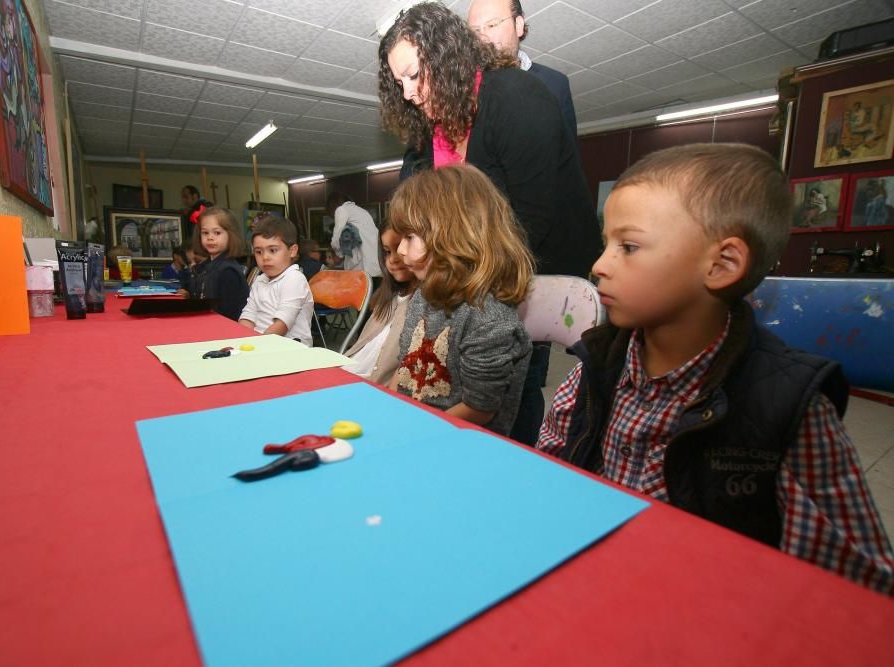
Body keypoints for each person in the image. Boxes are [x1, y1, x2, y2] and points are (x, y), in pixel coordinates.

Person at [537, 143, 894, 594]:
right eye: (606, 243)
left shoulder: (787, 409)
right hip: (599, 583)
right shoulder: (597, 364)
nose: (598, 265)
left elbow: (852, 591)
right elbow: (549, 475)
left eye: (628, 246)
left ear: (722, 265)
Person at [379, 2, 599, 446]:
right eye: (397, 81)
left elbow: (529, 221)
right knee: (457, 370)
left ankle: (519, 452)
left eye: (414, 73)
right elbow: (430, 211)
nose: (407, 92)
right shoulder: (433, 126)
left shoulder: (516, 96)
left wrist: (464, 279)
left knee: (515, 379)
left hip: (537, 260)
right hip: (474, 264)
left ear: (446, 55)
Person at [387, 164, 533, 436]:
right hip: (415, 428)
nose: (400, 250)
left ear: (453, 234)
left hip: (461, 444)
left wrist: (413, 431)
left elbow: (480, 408)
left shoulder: (489, 316)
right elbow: (405, 366)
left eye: (409, 237)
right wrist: (390, 409)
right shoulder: (423, 294)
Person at [467, 0, 578, 147]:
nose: (483, 38)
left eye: (492, 25)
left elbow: (568, 157)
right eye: (475, 31)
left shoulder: (555, 84)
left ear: (518, 25)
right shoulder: (462, 90)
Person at [343, 221, 419, 385]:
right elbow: (362, 348)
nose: (392, 259)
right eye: (386, 252)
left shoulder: (422, 305)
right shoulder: (387, 297)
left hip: (369, 387)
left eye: (399, 248)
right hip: (347, 373)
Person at [240, 215, 314, 346]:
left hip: (291, 349)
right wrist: (240, 340)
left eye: (273, 250)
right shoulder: (260, 280)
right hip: (262, 343)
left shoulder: (294, 279)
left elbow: (283, 324)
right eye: (258, 252)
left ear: (292, 251)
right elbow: (248, 316)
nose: (265, 257)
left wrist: (257, 346)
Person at [189, 207, 249, 320]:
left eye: (217, 233)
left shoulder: (228, 272)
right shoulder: (204, 266)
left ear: (231, 235)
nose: (210, 237)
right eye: (205, 233)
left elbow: (229, 315)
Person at [327, 192, 382, 281]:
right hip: (377, 265)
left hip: (363, 269)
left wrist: (338, 254)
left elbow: (336, 239)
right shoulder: (362, 211)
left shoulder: (341, 210)